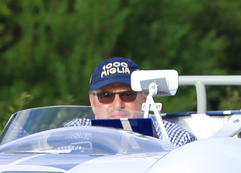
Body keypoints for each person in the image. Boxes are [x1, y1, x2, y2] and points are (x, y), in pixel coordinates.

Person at [65, 56, 195, 147]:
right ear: (92, 102)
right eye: (106, 96)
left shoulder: (176, 140)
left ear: (144, 98)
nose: (118, 104)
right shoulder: (75, 132)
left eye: (128, 94)